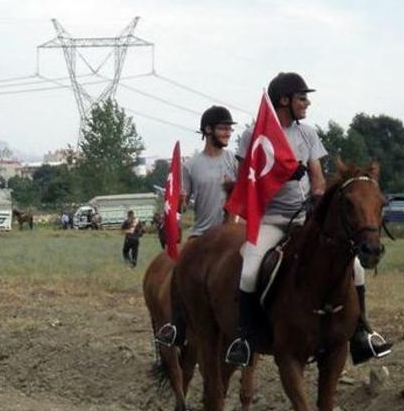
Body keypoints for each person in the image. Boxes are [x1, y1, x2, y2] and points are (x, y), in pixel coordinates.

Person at [225, 73, 391, 367]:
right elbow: (245, 179)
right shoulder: (253, 135)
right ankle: (246, 338)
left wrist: (317, 195)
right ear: (284, 100)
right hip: (269, 220)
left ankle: (360, 333)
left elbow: (317, 177)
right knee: (250, 269)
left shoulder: (308, 134)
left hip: (303, 218)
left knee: (355, 267)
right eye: (302, 98)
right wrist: (280, 173)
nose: (307, 103)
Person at [154, 105, 238, 347]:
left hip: (231, 234)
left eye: (229, 129)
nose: (227, 133)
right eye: (223, 128)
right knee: (177, 272)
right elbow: (181, 205)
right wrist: (178, 203)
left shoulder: (235, 161)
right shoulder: (191, 165)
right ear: (208, 130)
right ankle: (176, 327)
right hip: (202, 234)